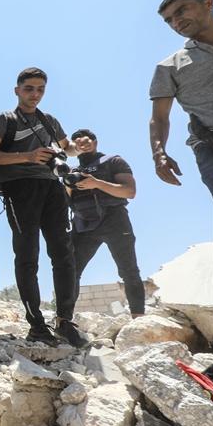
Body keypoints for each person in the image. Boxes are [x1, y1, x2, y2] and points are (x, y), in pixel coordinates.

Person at [0, 67, 87, 348]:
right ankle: (36, 324)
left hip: (52, 187)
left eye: (40, 89)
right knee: (28, 255)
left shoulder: (49, 120)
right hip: (20, 188)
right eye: (29, 88)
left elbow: (67, 148)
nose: (35, 94)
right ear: (17, 90)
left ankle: (65, 321)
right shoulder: (3, 120)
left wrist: (79, 146)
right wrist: (27, 155)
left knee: (64, 254)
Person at [66, 129, 145, 318]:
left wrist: (98, 183)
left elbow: (129, 191)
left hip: (114, 220)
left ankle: (138, 318)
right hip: (83, 224)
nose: (82, 144)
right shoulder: (72, 172)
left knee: (128, 270)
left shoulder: (113, 161)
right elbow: (66, 203)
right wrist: (67, 187)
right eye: (76, 142)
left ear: (95, 142)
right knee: (70, 270)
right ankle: (65, 318)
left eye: (86, 140)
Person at [149, 0, 213, 201]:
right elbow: (159, 117)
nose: (175, 22)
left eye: (181, 11)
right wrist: (159, 154)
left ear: (208, 3)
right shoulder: (169, 67)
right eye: (168, 20)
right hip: (211, 145)